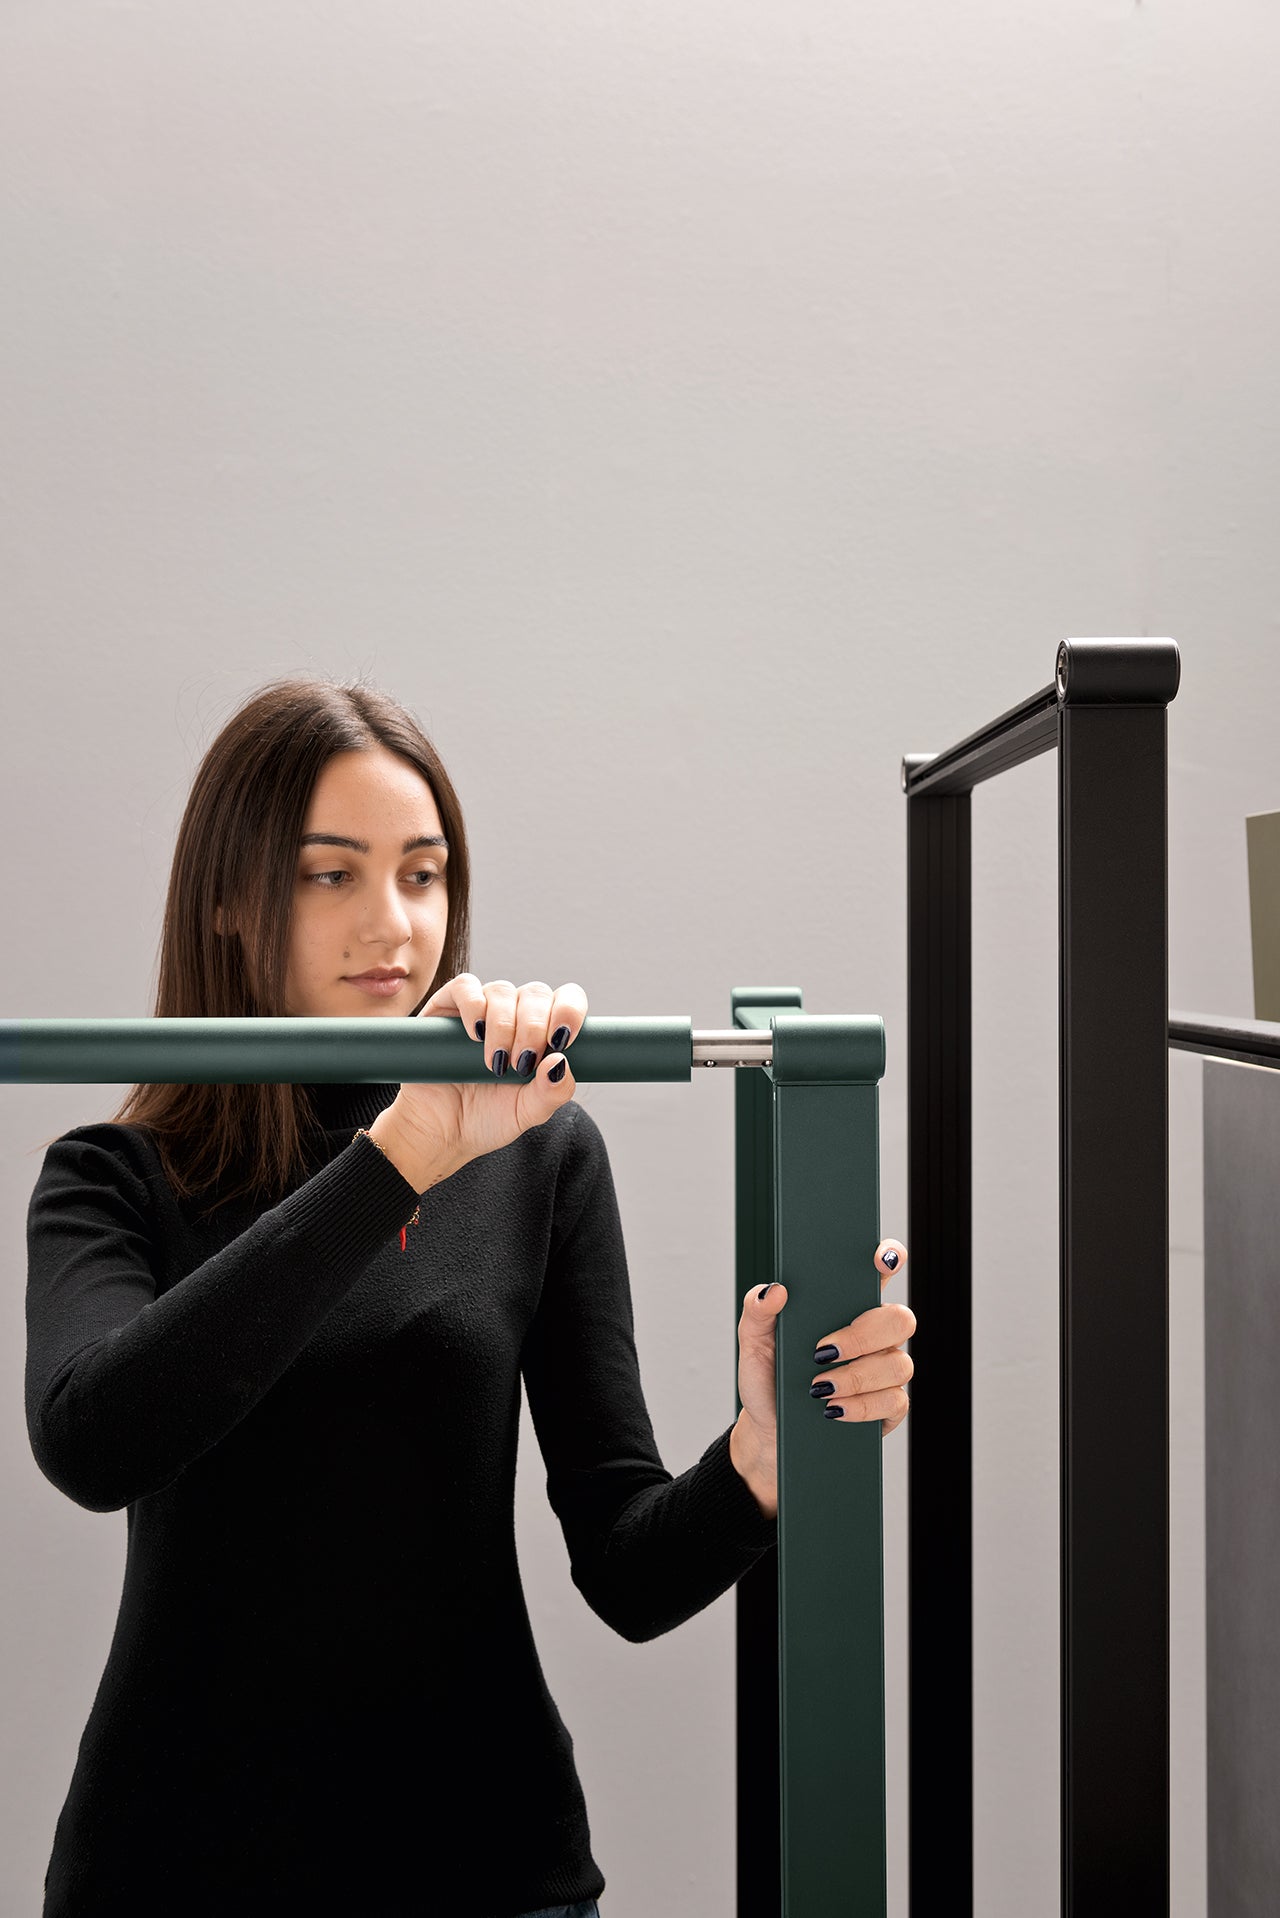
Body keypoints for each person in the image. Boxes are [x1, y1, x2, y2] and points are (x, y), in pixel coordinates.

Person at [23, 674, 914, 1915]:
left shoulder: (538, 1152)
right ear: (229, 898)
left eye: (422, 872)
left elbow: (625, 1565)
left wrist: (760, 1457)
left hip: (485, 1865)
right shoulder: (111, 1176)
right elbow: (93, 1438)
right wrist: (399, 1158)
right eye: (328, 873)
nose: (392, 921)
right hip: (174, 1868)